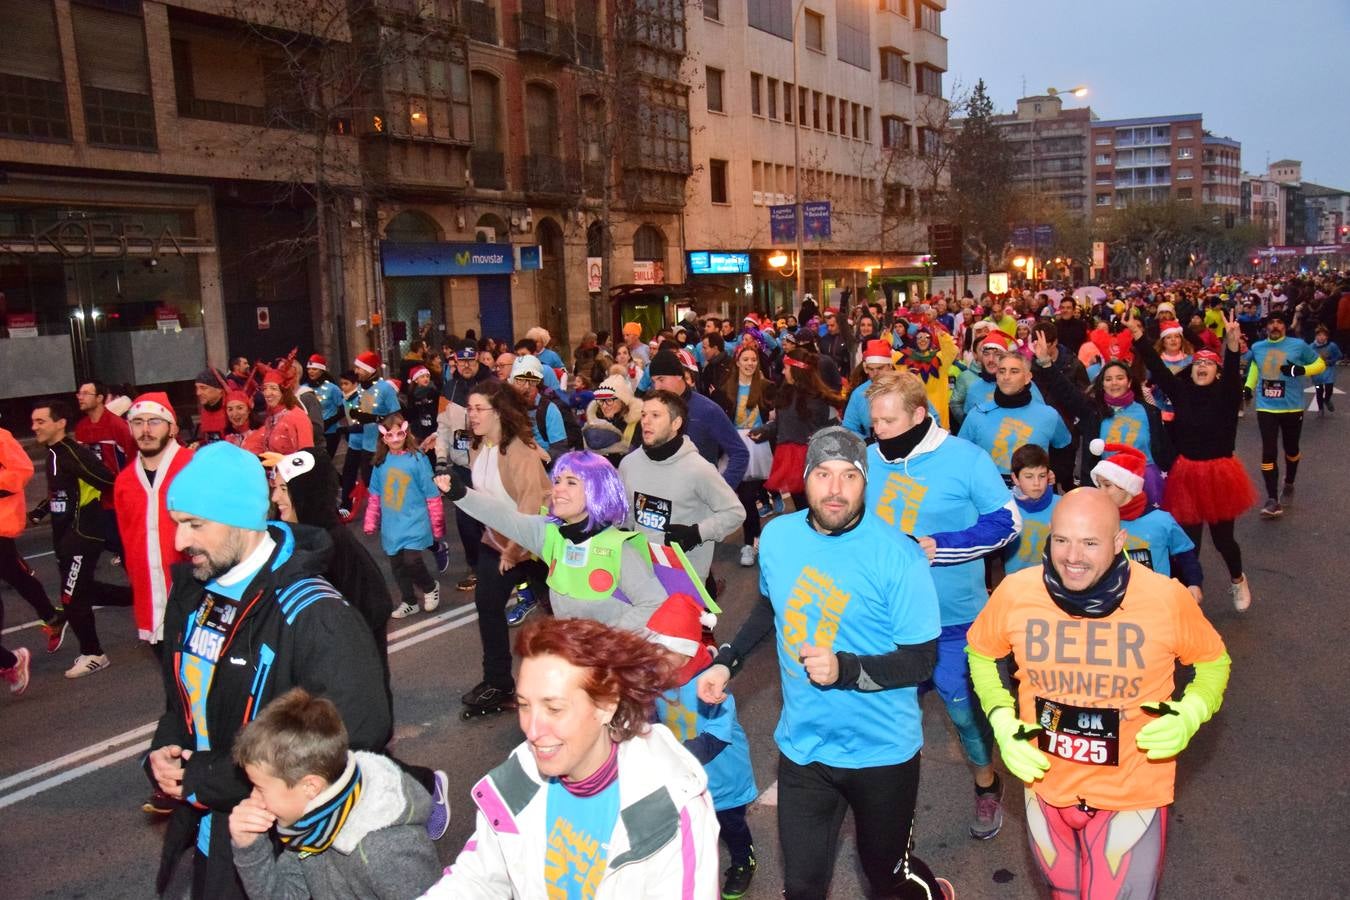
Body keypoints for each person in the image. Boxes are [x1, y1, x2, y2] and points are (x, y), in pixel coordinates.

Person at [697, 428, 954, 899]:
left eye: (849, 476)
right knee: (802, 887)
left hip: (883, 754)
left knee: (887, 879)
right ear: (805, 478)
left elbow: (922, 661)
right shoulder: (777, 537)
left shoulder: (898, 556)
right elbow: (771, 608)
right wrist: (727, 662)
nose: (835, 489)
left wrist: (846, 670)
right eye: (823, 474)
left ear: (865, 482)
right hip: (805, 749)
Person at [149, 441, 390, 899]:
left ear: (242, 520)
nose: (180, 542)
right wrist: (166, 749)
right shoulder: (192, 595)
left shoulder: (316, 614)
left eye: (195, 524)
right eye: (178, 524)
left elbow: (357, 732)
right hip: (209, 835)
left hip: (282, 851)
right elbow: (184, 703)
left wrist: (211, 778)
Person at [966, 488, 1231, 900]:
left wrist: (1191, 711)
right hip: (1045, 787)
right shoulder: (1017, 592)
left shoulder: (1165, 598)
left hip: (1132, 791)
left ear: (1119, 542)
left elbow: (1213, 661)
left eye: (1090, 542)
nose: (1073, 556)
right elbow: (981, 652)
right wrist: (1001, 718)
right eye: (1062, 539)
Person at [423, 616, 719, 897]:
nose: (532, 729)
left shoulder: (671, 810)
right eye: (524, 705)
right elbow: (477, 879)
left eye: (554, 709)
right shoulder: (519, 777)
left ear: (606, 705)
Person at [865, 371, 1021, 840]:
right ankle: (891, 811)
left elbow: (1007, 522)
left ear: (918, 415)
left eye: (888, 422)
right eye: (874, 422)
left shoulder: (966, 459)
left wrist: (939, 546)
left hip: (954, 620)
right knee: (887, 718)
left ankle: (987, 783)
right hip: (887, 621)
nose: (879, 432)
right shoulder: (868, 460)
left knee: (963, 715)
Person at [228, 688, 441, 899]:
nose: (254, 797)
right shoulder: (313, 827)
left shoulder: (386, 851)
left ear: (310, 787)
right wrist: (249, 845)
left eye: (260, 788)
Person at [438, 447, 674, 639]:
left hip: (614, 666)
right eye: (558, 480)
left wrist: (607, 637)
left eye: (571, 482)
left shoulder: (620, 548)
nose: (558, 489)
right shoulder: (549, 534)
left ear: (597, 491)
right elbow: (505, 518)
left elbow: (655, 604)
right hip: (573, 659)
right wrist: (461, 494)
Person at [1129, 310, 1256, 611]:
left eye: (1208, 364)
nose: (1201, 367)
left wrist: (1233, 344)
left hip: (1220, 473)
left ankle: (1238, 580)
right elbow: (1159, 370)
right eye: (1198, 363)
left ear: (1217, 371)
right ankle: (1191, 591)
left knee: (1224, 539)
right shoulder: (1182, 392)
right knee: (1189, 540)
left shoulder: (1227, 396)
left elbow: (1234, 372)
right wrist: (1139, 339)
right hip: (1186, 473)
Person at [648, 593, 759, 899]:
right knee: (692, 826)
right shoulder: (659, 677)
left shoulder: (711, 683)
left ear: (683, 651)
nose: (654, 658)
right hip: (684, 777)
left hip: (723, 776)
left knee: (730, 823)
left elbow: (717, 737)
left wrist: (676, 754)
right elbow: (651, 713)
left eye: (662, 651)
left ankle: (743, 860)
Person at [452, 381, 550, 715]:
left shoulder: (521, 452)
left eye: (479, 409)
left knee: (561, 610)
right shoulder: (480, 447)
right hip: (499, 540)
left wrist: (514, 550)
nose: (472, 415)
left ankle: (579, 673)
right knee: (488, 603)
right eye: (469, 408)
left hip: (536, 542)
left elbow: (531, 505)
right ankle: (497, 682)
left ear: (499, 412)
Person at [30, 399, 132, 678]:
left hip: (82, 536)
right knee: (85, 591)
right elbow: (62, 493)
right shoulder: (54, 455)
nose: (34, 427)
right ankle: (148, 598)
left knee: (71, 597)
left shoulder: (71, 454)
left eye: (40, 422)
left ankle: (94, 653)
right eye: (34, 422)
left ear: (60, 423)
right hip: (65, 538)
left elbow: (110, 481)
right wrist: (38, 512)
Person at [619, 391, 745, 585]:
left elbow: (735, 512)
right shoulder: (629, 464)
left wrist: (697, 533)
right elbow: (626, 514)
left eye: (655, 415)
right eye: (644, 414)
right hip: (641, 573)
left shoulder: (699, 469)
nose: (645, 421)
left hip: (685, 577)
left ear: (676, 424)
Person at [1031, 333, 1174, 501]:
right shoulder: (1093, 411)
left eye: (1120, 378)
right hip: (1104, 488)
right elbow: (1067, 392)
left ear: (1129, 382)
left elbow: (1164, 451)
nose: (1114, 383)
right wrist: (1046, 363)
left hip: (1143, 486)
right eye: (1108, 379)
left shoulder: (1149, 411)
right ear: (1102, 384)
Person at [114, 394, 193, 647]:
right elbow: (128, 541)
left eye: (154, 421)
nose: (145, 430)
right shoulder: (124, 481)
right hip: (151, 604)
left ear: (173, 428)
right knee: (171, 680)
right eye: (138, 422)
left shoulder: (194, 468)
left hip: (196, 598)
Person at [1088, 442, 1203, 600]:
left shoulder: (1161, 521)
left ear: (1128, 487)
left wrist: (1194, 583)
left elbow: (1185, 553)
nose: (1100, 491)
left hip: (1157, 600)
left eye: (1107, 485)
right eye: (1098, 485)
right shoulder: (1096, 521)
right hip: (1112, 601)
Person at [1245, 310, 1325, 516]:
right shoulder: (1257, 347)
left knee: (1291, 448)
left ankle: (1289, 480)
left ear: (1285, 326)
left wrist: (1301, 370)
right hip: (1266, 407)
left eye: (1279, 322)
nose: (1275, 326)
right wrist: (1248, 387)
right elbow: (1255, 367)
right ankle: (1272, 498)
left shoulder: (1298, 345)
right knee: (1268, 451)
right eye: (1271, 322)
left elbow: (1319, 363)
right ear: (1266, 327)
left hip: (1292, 406)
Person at [364, 412, 444, 619]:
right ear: (383, 438)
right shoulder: (381, 462)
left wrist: (437, 523)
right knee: (397, 565)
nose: (395, 439)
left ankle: (429, 586)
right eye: (389, 436)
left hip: (415, 520)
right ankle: (409, 601)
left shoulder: (417, 459)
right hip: (392, 524)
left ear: (406, 433)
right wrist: (371, 520)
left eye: (399, 434)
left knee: (412, 560)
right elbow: (374, 493)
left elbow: (431, 493)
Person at [0, 414, 64, 657]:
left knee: (15, 574)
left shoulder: (2, 438)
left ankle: (51, 616)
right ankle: (51, 615)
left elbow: (23, 469)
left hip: (2, 523)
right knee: (15, 575)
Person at [959, 350, 1071, 480]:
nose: (1006, 377)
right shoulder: (977, 414)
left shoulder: (1049, 415)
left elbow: (1065, 451)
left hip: (1035, 493)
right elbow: (960, 457)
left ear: (1028, 377)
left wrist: (1055, 473)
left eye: (1014, 371)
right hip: (988, 494)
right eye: (1001, 371)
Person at [647, 349, 747, 489]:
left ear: (679, 376)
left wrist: (722, 491)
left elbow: (739, 453)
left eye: (661, 379)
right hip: (665, 496)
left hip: (700, 498)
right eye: (653, 381)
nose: (657, 386)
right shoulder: (652, 410)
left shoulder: (707, 409)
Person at [756, 347, 839, 510]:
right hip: (790, 458)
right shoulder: (786, 394)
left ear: (796, 370)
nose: (782, 371)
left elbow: (832, 429)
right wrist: (765, 431)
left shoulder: (818, 399)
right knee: (802, 506)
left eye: (785, 367)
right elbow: (782, 423)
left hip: (811, 460)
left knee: (817, 506)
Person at [722, 344, 775, 566]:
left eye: (753, 359)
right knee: (743, 499)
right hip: (735, 448)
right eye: (745, 359)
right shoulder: (725, 389)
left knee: (748, 498)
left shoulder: (767, 387)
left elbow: (774, 418)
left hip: (759, 447)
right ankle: (754, 540)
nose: (750, 364)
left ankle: (750, 543)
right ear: (737, 362)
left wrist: (767, 430)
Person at [1002, 444, 1059, 575]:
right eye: (1029, 476)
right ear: (1015, 478)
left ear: (1049, 475)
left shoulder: (1063, 505)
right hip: (1016, 582)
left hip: (1052, 582)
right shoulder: (1005, 506)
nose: (1036, 483)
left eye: (1042, 476)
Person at [509, 355, 571, 464]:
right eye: (520, 380)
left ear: (539, 385)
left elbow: (560, 450)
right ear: (511, 382)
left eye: (532, 381)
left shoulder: (549, 410)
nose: (526, 387)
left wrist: (538, 459)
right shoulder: (502, 406)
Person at [581, 374, 643, 465]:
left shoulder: (639, 424)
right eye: (601, 401)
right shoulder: (595, 423)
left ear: (623, 401)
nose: (604, 406)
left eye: (609, 400)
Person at [841, 338, 897, 438]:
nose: (875, 374)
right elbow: (848, 428)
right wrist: (865, 442)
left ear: (890, 365)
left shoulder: (907, 387)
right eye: (871, 369)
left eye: (880, 368)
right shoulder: (859, 394)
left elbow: (931, 418)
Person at [256, 369, 316, 456]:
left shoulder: (298, 417)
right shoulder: (270, 418)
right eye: (264, 388)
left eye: (273, 388)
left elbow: (307, 454)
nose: (267, 393)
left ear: (284, 391)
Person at [302, 355, 347, 457]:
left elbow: (343, 409)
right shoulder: (304, 388)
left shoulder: (332, 388)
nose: (310, 372)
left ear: (322, 370)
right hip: (312, 432)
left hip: (331, 432)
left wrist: (328, 422)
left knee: (327, 461)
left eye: (314, 369)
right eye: (309, 369)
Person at [188, 368, 231, 446]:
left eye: (203, 388)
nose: (198, 393)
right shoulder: (205, 408)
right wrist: (200, 444)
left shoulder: (233, 408)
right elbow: (209, 439)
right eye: (197, 388)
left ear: (219, 389)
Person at [1310, 324, 1342, 414]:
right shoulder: (1311, 347)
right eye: (1319, 335)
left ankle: (1327, 400)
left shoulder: (1332, 346)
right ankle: (1320, 408)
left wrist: (1331, 361)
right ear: (1315, 336)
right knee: (1318, 389)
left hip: (1329, 371)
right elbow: (1306, 358)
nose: (1321, 337)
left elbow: (1339, 356)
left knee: (1329, 388)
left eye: (1323, 335)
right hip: (1317, 373)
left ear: (1327, 336)